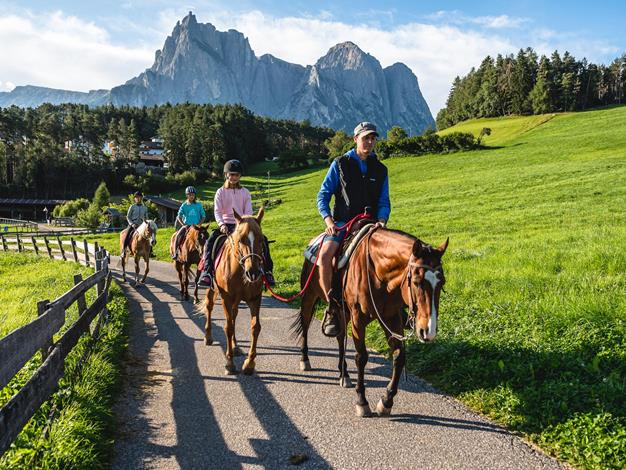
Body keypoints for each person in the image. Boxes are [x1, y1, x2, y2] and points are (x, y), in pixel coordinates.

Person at [316, 122, 391, 337]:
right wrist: (328, 220)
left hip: (372, 224)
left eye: (372, 138)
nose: (369, 142)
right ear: (355, 138)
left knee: (394, 256)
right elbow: (323, 195)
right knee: (324, 257)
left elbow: (384, 201)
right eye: (365, 138)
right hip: (342, 223)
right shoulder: (340, 164)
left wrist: (383, 219)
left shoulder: (381, 169)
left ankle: (394, 308)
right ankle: (332, 307)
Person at [199, 159, 275, 286]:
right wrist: (222, 225)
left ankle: (267, 271)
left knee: (264, 241)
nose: (233, 177)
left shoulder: (245, 192)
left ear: (240, 176)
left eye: (236, 175)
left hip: (242, 225)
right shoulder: (220, 192)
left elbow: (248, 211)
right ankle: (207, 272)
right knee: (210, 241)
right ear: (226, 175)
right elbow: (217, 211)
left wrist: (246, 225)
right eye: (231, 174)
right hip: (226, 225)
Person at [172, 186, 206, 260]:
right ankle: (175, 252)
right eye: (190, 194)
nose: (191, 196)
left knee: (205, 237)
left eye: (193, 195)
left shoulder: (199, 205)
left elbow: (203, 216)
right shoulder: (184, 205)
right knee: (178, 235)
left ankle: (206, 253)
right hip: (187, 226)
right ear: (187, 195)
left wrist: (199, 224)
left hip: (196, 227)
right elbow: (179, 216)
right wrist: (183, 225)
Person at [122, 190, 148, 257]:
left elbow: (146, 218)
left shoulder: (144, 208)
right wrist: (131, 224)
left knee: (148, 235)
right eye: (137, 197)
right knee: (128, 235)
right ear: (135, 199)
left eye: (140, 197)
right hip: (133, 225)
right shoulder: (132, 207)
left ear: (142, 198)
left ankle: (150, 251)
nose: (139, 199)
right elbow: (128, 216)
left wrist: (146, 224)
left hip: (141, 226)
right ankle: (124, 250)